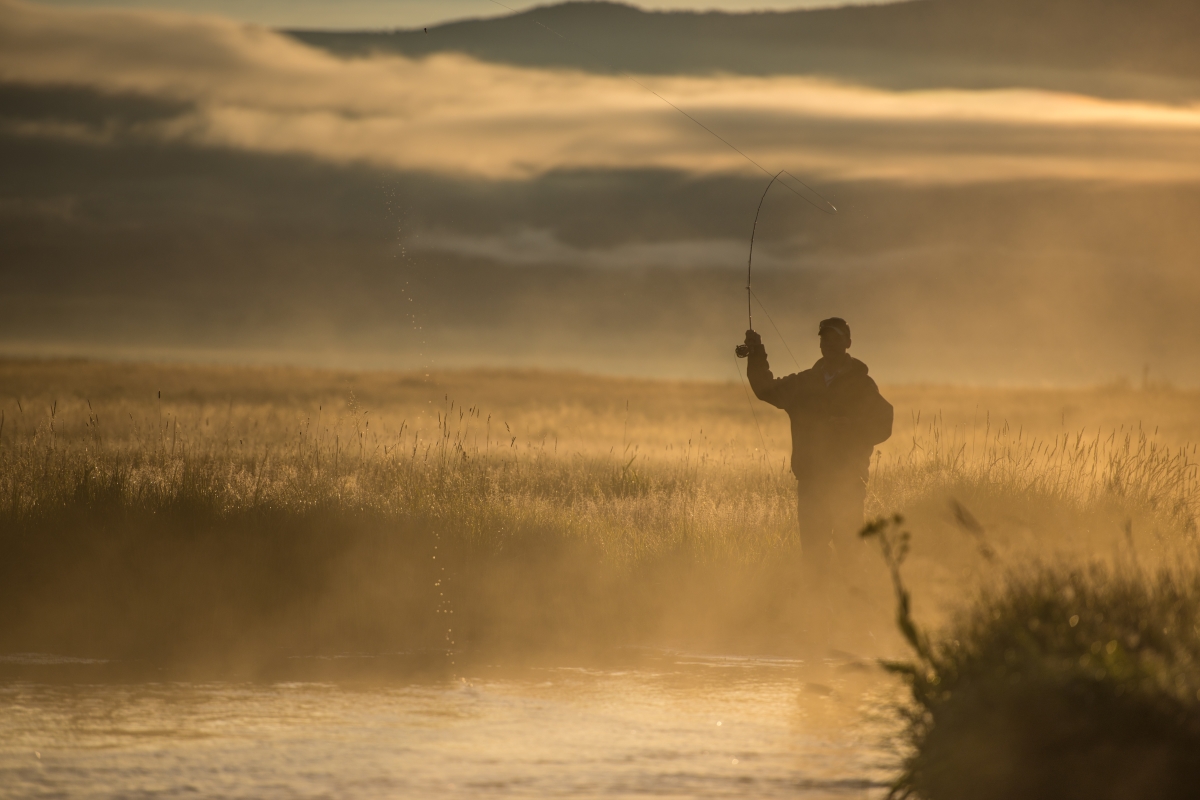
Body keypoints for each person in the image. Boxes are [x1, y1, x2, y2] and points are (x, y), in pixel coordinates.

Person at [741, 317, 892, 568]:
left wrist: (852, 427)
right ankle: (818, 604)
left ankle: (853, 603)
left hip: (848, 482)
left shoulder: (862, 385)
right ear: (820, 344)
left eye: (835, 339)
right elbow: (765, 388)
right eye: (824, 339)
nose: (829, 344)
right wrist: (756, 352)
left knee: (849, 549)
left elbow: (884, 423)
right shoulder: (804, 383)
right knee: (813, 554)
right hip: (811, 483)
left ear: (848, 343)